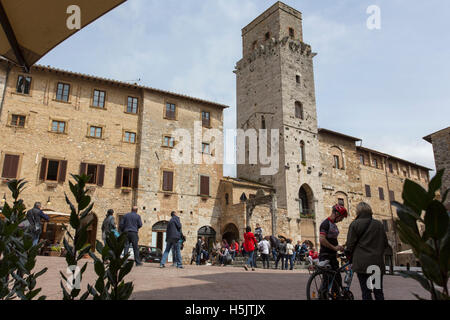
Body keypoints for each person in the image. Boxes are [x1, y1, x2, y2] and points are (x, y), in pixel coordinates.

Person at [345, 202, 389, 301]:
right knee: (378, 292)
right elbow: (385, 244)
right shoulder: (379, 225)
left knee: (366, 292)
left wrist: (348, 253)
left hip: (362, 265)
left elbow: (350, 245)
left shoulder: (355, 224)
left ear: (358, 211)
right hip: (376, 264)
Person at [318, 204, 348, 298]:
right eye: (341, 218)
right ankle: (322, 297)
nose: (341, 220)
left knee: (337, 279)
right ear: (336, 214)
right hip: (326, 255)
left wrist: (340, 247)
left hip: (332, 255)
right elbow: (322, 239)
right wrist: (334, 248)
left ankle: (336, 296)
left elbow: (333, 240)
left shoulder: (334, 225)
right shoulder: (325, 223)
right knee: (327, 280)